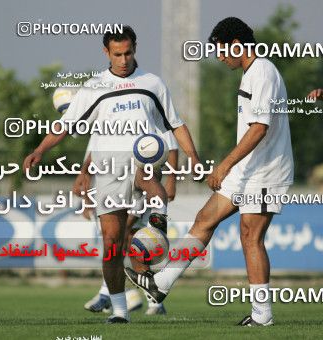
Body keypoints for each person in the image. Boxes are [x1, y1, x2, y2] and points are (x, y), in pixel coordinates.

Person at [23, 26, 200, 323]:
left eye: (128, 52)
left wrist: (192, 155)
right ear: (106, 52)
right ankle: (119, 310)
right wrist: (40, 150)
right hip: (107, 168)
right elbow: (66, 124)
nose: (123, 59)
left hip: (141, 160)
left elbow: (175, 124)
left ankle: (157, 224)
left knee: (151, 186)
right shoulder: (94, 87)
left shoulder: (152, 83)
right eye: (117, 54)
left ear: (135, 48)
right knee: (112, 243)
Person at [125, 17, 294, 327]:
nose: (219, 56)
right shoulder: (250, 74)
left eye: (220, 50)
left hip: (267, 171)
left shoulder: (263, 72)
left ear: (236, 45)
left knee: (250, 237)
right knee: (205, 219)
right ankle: (159, 285)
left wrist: (225, 164)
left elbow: (259, 129)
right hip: (248, 170)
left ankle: (262, 316)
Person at [81, 132, 178, 316]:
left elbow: (172, 144)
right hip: (112, 184)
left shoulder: (149, 116)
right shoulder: (102, 126)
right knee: (122, 242)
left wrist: (171, 180)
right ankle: (145, 298)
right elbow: (92, 157)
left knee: (127, 241)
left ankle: (114, 295)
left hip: (136, 183)